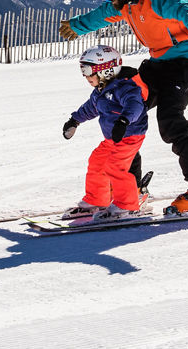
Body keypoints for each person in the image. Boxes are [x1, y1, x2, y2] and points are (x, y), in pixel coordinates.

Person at [59, 0, 188, 214]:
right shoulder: (126, 0)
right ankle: (130, 189)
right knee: (121, 105)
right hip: (160, 59)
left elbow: (180, 5)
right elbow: (104, 14)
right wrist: (78, 26)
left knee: (170, 118)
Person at [60, 45, 150, 221]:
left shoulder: (125, 87)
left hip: (130, 136)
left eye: (88, 70)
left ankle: (127, 206)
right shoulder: (100, 91)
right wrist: (74, 120)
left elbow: (135, 105)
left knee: (115, 167)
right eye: (82, 70)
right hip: (112, 138)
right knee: (97, 162)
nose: (85, 76)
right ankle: (97, 200)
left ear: (106, 70)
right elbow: (90, 108)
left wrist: (124, 121)